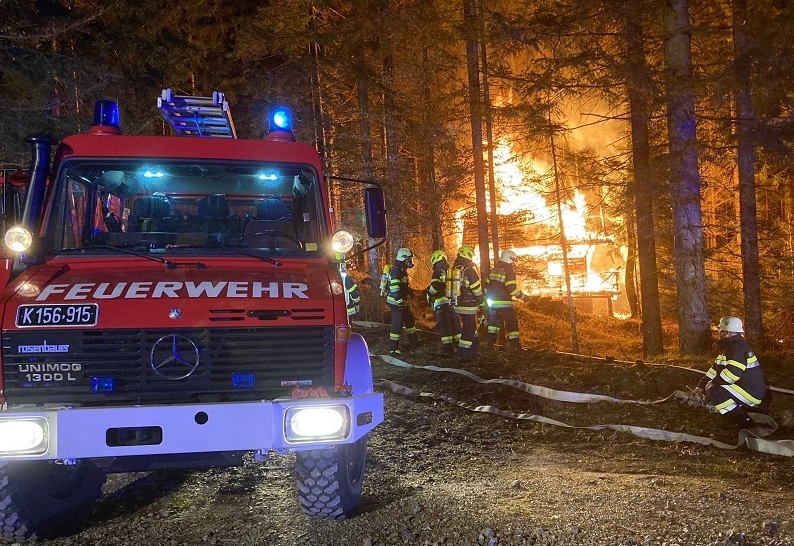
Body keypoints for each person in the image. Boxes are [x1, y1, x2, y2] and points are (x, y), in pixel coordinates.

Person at [694, 316, 766, 427]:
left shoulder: (737, 348)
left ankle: (742, 420)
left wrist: (712, 384)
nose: (719, 333)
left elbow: (732, 374)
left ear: (726, 332)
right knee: (711, 390)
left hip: (749, 393)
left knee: (714, 391)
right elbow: (714, 370)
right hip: (745, 389)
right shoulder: (729, 348)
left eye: (721, 331)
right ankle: (740, 410)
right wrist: (701, 386)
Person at [486, 249, 528, 351]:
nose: (513, 262)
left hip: (492, 303)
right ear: (508, 259)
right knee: (511, 323)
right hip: (504, 302)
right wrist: (524, 297)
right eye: (512, 259)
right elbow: (512, 289)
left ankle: (489, 345)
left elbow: (487, 285)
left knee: (493, 324)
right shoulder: (509, 271)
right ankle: (515, 346)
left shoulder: (494, 270)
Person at [450, 244, 485, 363]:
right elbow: (476, 290)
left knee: (471, 327)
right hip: (468, 305)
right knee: (469, 328)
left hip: (458, 304)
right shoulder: (469, 270)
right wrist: (482, 302)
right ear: (467, 255)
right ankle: (463, 354)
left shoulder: (456, 269)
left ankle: (474, 349)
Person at [426, 249, 461, 357]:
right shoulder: (450, 270)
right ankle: (459, 347)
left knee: (444, 326)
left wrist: (429, 294)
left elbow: (435, 286)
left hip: (441, 303)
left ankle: (448, 350)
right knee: (455, 325)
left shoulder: (437, 272)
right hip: (452, 303)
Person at [386, 247, 420, 355]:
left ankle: (414, 342)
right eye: (409, 259)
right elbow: (395, 287)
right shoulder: (396, 271)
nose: (410, 262)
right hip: (396, 302)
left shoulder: (401, 271)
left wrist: (410, 292)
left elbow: (402, 286)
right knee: (397, 324)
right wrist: (399, 299)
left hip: (401, 301)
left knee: (409, 320)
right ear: (403, 258)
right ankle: (393, 349)